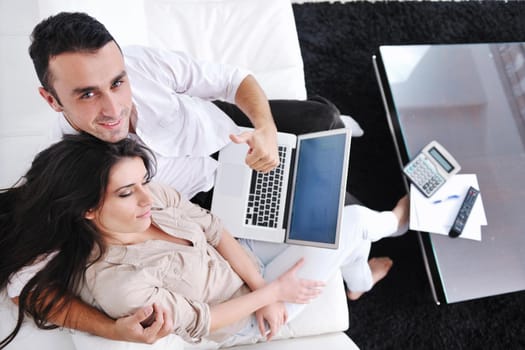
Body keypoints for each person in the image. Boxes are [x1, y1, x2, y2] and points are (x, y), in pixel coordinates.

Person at [5, 10, 356, 343]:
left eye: (117, 83)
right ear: (51, 100)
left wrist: (264, 129)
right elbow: (23, 286)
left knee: (325, 121)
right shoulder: (67, 167)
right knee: (332, 210)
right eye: (87, 94)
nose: (113, 109)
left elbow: (234, 79)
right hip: (208, 200)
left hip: (225, 130)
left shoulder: (139, 62)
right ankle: (360, 263)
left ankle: (354, 234)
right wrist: (113, 330)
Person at [0, 134, 408, 348]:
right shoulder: (120, 283)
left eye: (142, 181)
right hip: (242, 317)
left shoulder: (150, 197)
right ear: (87, 209)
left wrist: (267, 288)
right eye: (127, 193)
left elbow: (213, 229)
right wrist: (273, 294)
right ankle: (396, 222)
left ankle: (359, 281)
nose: (148, 197)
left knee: (326, 215)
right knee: (352, 222)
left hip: (247, 263)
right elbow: (202, 322)